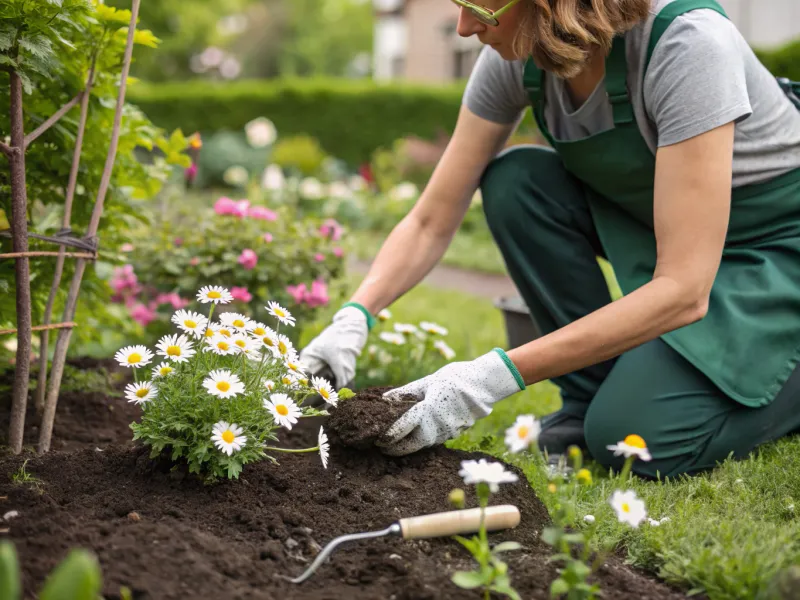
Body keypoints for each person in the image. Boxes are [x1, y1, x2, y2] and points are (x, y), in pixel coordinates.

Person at [300, 0, 800, 479]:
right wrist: (355, 315)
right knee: (517, 181)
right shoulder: (519, 53)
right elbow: (432, 219)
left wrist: (490, 378)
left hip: (775, 247)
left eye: (479, 8)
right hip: (670, 229)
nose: (463, 28)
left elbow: (685, 290)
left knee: (637, 441)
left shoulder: (687, 45)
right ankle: (587, 397)